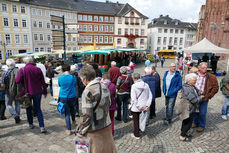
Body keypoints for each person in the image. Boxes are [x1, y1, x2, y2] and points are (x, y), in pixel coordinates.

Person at [75, 65, 117, 153]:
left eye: (81, 79)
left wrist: (80, 131)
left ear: (85, 79)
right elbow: (109, 103)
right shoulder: (104, 85)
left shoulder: (87, 91)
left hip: (94, 130)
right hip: (106, 126)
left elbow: (87, 115)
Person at [15, 56, 47, 133]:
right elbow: (43, 82)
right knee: (38, 109)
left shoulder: (22, 70)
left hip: (26, 92)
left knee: (28, 108)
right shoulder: (38, 69)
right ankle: (42, 126)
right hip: (38, 91)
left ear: (25, 62)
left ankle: (30, 124)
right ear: (32, 61)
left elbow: (17, 81)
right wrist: (45, 91)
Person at [177, 73, 204, 142]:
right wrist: (201, 97)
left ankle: (184, 133)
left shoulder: (191, 86)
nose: (196, 82)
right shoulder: (187, 88)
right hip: (188, 108)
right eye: (194, 80)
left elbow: (196, 92)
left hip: (190, 108)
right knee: (188, 123)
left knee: (186, 121)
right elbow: (194, 100)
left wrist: (199, 92)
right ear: (189, 81)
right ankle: (182, 136)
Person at [193, 62, 219, 132]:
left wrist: (209, 95)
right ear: (199, 68)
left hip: (204, 97)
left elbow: (216, 87)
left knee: (202, 112)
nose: (205, 69)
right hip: (195, 96)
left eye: (206, 68)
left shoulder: (211, 77)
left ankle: (201, 125)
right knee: (195, 110)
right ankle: (195, 122)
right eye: (203, 68)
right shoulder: (194, 75)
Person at [129, 73, 152, 139]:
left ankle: (136, 134)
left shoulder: (134, 86)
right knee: (142, 118)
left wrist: (139, 107)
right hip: (144, 105)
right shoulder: (146, 85)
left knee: (136, 120)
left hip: (136, 107)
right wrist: (147, 105)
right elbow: (150, 96)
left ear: (134, 78)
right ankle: (141, 129)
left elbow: (133, 98)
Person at [58, 64, 77, 135]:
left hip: (63, 96)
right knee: (72, 109)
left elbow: (60, 85)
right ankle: (74, 121)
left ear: (62, 70)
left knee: (67, 113)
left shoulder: (60, 78)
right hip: (72, 95)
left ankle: (69, 129)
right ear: (69, 69)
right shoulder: (73, 77)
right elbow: (74, 85)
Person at [2, 59, 21, 123]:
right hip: (18, 90)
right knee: (17, 104)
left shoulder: (5, 73)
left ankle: (15, 115)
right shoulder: (18, 71)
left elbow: (2, 84)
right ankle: (18, 115)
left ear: (7, 65)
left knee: (8, 105)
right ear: (14, 64)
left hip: (8, 92)